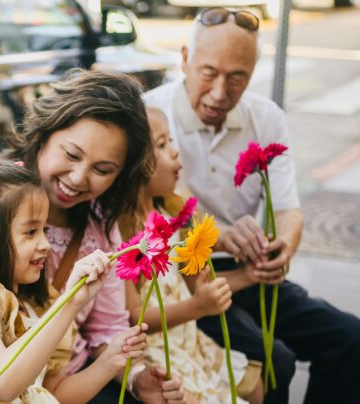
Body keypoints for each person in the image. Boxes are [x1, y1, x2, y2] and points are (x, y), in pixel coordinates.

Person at [144, 8, 360, 404]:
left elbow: (288, 208)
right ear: (184, 58)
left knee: (353, 340)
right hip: (185, 281)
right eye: (208, 72)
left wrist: (282, 248)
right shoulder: (150, 117)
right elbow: (150, 221)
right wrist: (221, 238)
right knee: (274, 360)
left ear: (252, 73)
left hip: (249, 270)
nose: (220, 93)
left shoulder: (266, 116)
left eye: (237, 77)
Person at [0, 69, 185, 403]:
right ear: (44, 135)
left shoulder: (99, 224)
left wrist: (136, 377)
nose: (78, 177)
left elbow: (104, 330)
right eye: (71, 154)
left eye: (102, 170)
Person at [0, 156, 149, 402]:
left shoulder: (27, 308)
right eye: (30, 232)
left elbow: (50, 394)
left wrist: (109, 362)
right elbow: (2, 384)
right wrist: (70, 303)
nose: (45, 244)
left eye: (44, 230)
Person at [122, 106, 263, 404]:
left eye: (170, 141)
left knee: (254, 384)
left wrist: (229, 279)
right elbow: (135, 315)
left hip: (189, 340)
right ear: (133, 165)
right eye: (161, 146)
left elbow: (190, 283)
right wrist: (198, 306)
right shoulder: (127, 235)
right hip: (160, 352)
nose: (175, 153)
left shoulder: (172, 214)